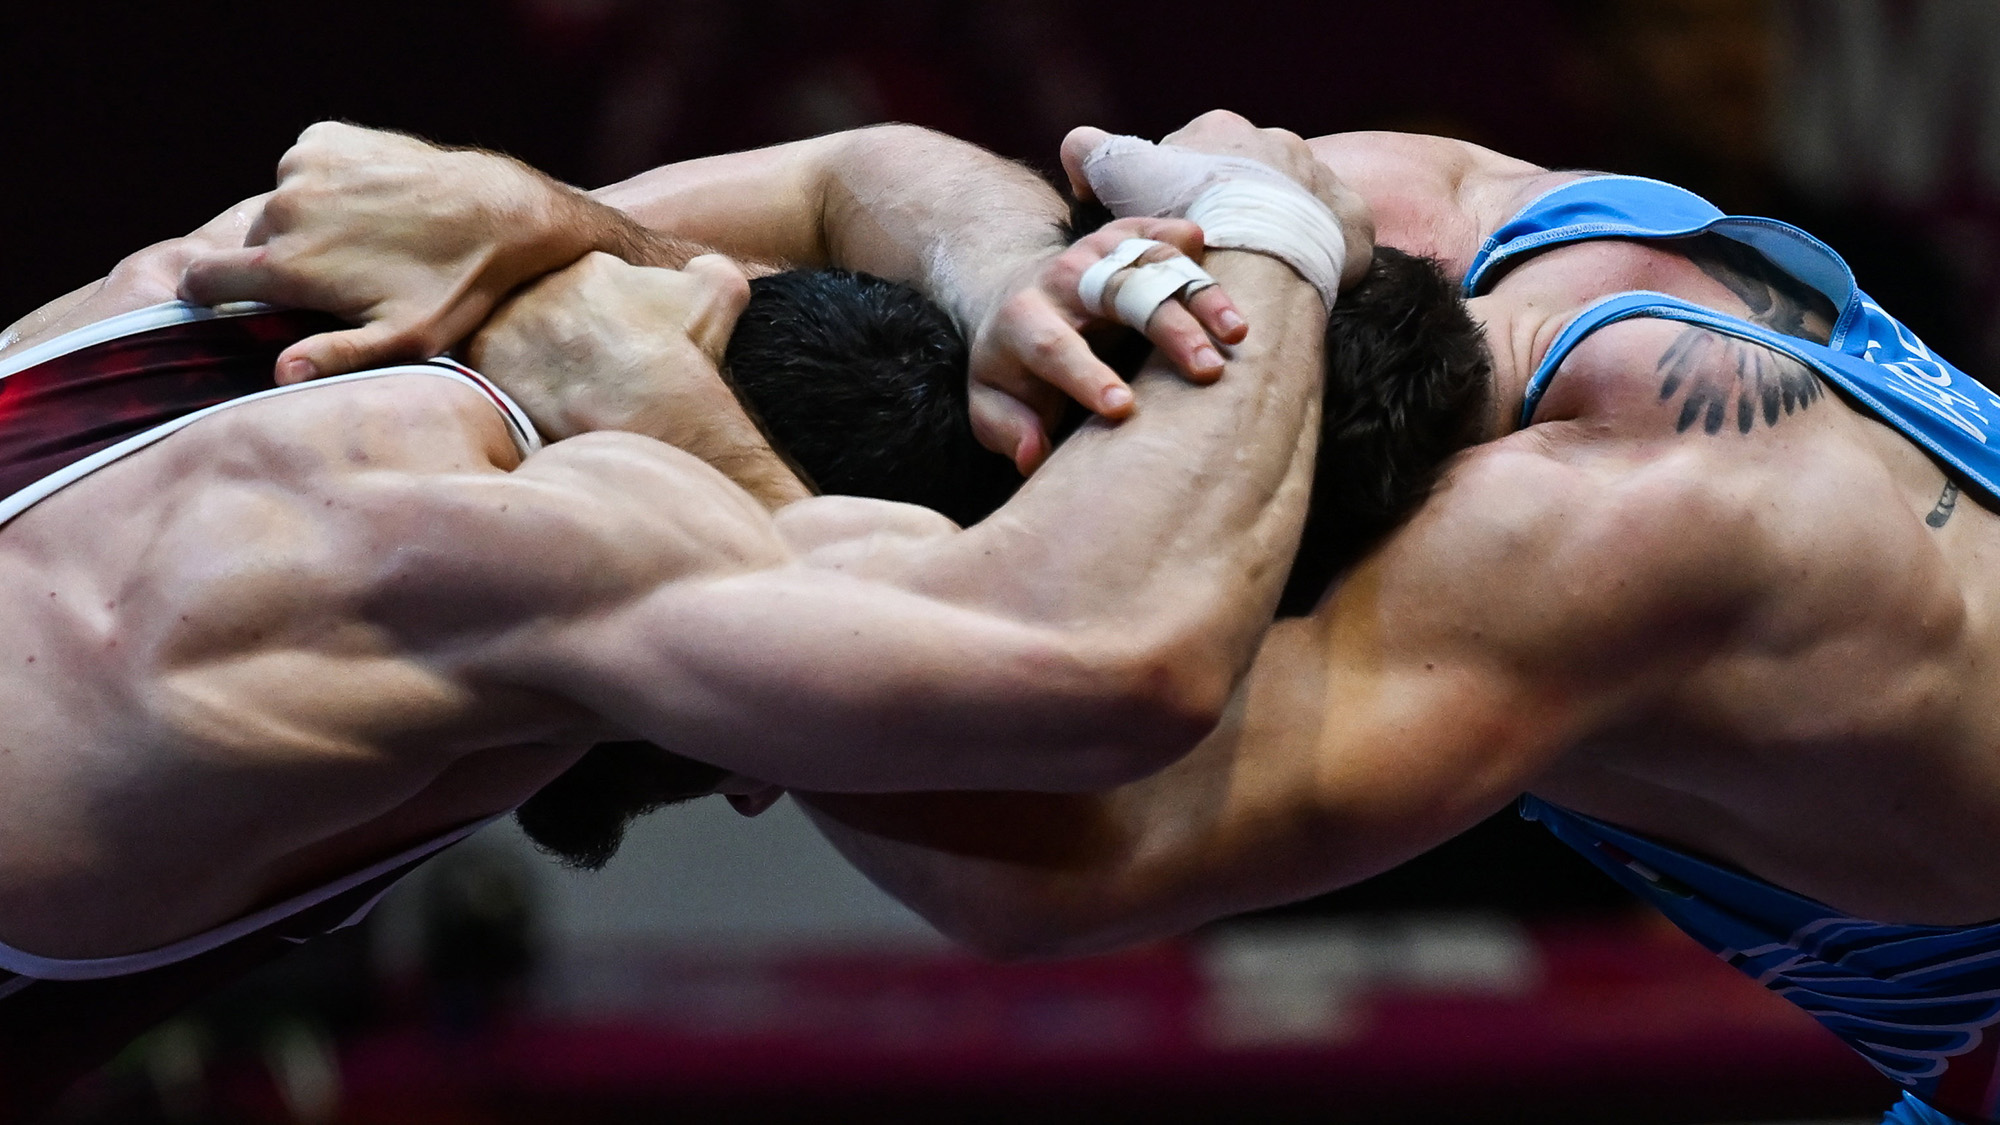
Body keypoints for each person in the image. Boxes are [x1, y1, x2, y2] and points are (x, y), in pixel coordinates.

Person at [0, 116, 1357, 1117]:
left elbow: (855, 174)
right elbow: (1113, 659)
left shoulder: (298, 268)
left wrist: (1025, 279)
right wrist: (1265, 231)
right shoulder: (530, 544)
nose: (760, 791)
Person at [746, 123, 2000, 1125]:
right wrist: (1000, 267)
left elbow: (1053, 874)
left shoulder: (1592, 532)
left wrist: (728, 574)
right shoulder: (1417, 217)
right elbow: (854, 170)